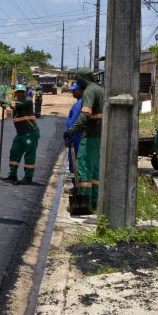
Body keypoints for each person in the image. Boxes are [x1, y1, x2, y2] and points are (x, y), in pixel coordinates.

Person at [63, 69, 105, 213]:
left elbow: (85, 114)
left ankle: (84, 204)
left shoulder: (89, 91)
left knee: (83, 167)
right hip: (100, 136)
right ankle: (94, 202)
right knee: (94, 170)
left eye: (77, 79)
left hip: (91, 134)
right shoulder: (100, 90)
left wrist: (71, 130)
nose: (76, 82)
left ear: (82, 78)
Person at [0, 84, 40, 185]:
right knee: (14, 151)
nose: (20, 94)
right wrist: (7, 105)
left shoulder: (28, 101)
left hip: (30, 133)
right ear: (15, 93)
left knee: (29, 155)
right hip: (20, 133)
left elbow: (10, 103)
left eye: (22, 92)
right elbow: (10, 105)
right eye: (18, 92)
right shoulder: (15, 102)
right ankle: (12, 175)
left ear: (26, 92)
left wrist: (2, 102)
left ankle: (28, 177)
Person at [65, 83, 83, 191]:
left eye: (74, 90)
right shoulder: (78, 103)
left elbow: (74, 123)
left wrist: (69, 138)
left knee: (74, 164)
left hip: (75, 138)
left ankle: (77, 187)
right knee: (73, 164)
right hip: (74, 137)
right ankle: (75, 184)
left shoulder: (79, 105)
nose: (72, 92)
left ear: (80, 90)